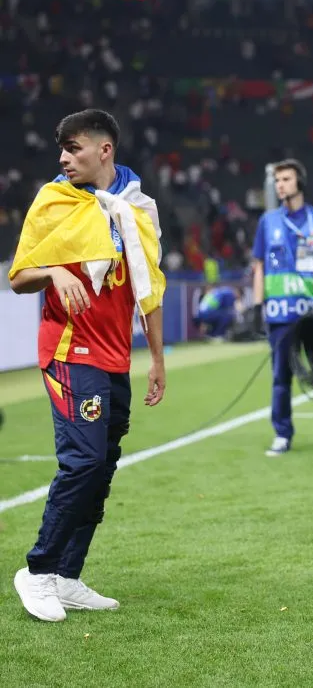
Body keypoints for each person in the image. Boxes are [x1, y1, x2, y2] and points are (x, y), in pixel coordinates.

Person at [8, 109, 166, 622]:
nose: (63, 158)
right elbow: (19, 276)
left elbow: (149, 288)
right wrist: (54, 271)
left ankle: (68, 576)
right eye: (61, 149)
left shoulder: (137, 208)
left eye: (73, 148)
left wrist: (157, 359)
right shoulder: (53, 201)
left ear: (104, 150)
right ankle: (38, 570)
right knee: (83, 463)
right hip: (69, 351)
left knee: (102, 467)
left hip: (115, 356)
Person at [251, 159, 313, 457]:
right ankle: (282, 435)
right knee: (281, 378)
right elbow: (259, 267)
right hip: (279, 314)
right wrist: (257, 307)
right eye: (277, 180)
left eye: (286, 179)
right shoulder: (267, 221)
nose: (280, 185)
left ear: (300, 182)